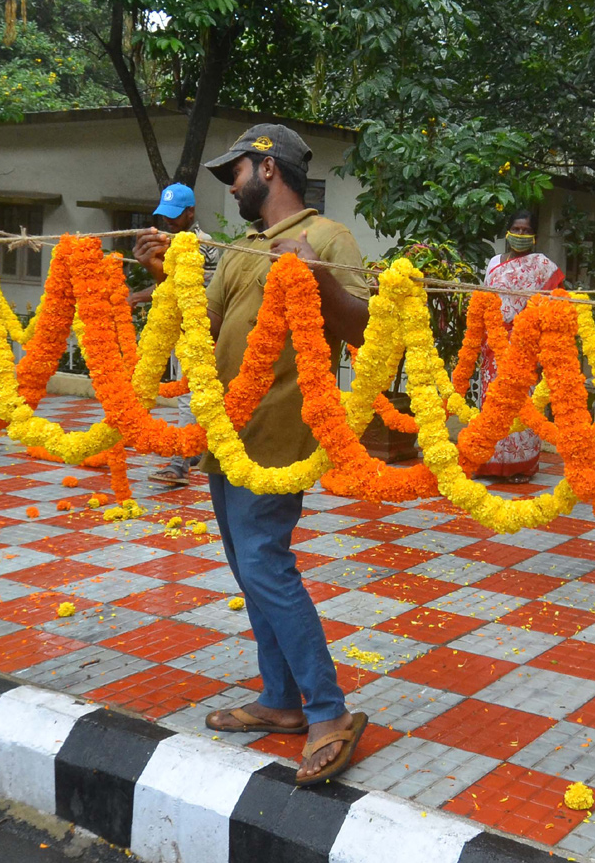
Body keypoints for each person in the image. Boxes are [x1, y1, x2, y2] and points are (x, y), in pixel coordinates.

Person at [196, 124, 371, 787]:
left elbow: (362, 328)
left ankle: (328, 711)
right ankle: (280, 702)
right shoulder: (242, 248)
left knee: (267, 565)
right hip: (227, 431)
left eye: (233, 171)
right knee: (249, 569)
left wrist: (317, 275)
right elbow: (209, 325)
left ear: (267, 168)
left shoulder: (328, 238)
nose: (229, 185)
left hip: (278, 438)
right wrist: (167, 274)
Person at [131, 183, 219, 486]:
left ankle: (180, 462)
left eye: (175, 214)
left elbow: (190, 292)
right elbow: (167, 287)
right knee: (192, 396)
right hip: (180, 330)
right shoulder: (170, 241)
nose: (168, 220)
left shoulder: (203, 247)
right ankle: (194, 450)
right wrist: (139, 295)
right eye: (164, 214)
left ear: (191, 212)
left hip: (200, 331)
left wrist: (155, 272)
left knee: (188, 395)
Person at [478, 210, 564, 483]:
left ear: (534, 236)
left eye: (526, 230)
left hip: (524, 345)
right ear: (507, 231)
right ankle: (487, 462)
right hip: (492, 346)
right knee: (492, 404)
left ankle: (520, 466)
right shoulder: (493, 262)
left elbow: (557, 299)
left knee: (521, 404)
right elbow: (484, 299)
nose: (521, 234)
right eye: (517, 228)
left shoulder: (542, 266)